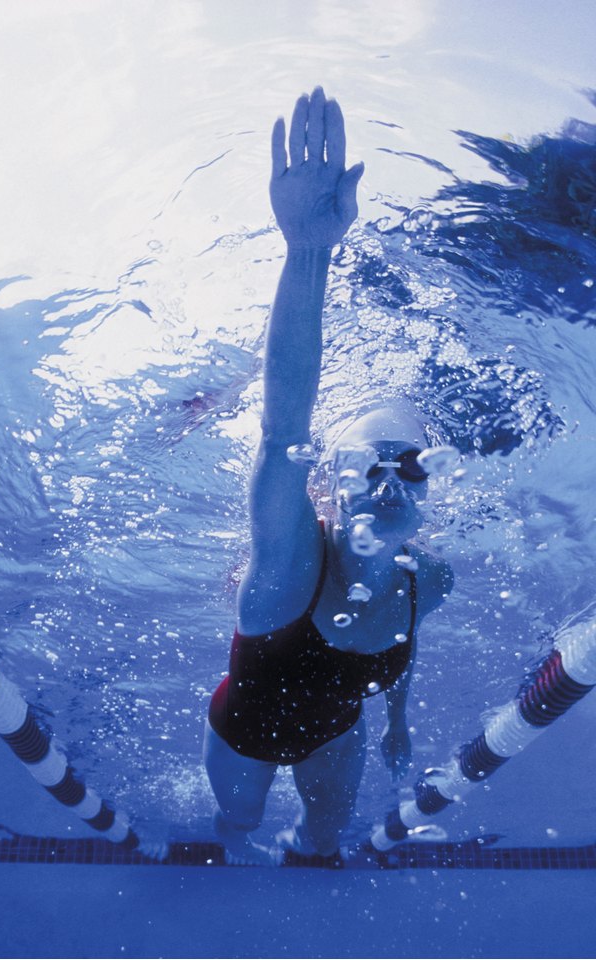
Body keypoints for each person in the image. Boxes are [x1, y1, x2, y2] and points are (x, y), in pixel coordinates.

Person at [204, 86, 453, 865]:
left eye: (410, 465)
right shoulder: (288, 563)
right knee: (240, 826)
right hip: (243, 735)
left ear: (431, 483)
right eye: (367, 465)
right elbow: (283, 431)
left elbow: (400, 652)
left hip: (339, 735)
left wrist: (400, 722)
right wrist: (308, 252)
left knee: (326, 837)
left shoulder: (430, 578)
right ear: (330, 483)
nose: (389, 482)